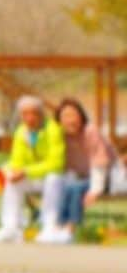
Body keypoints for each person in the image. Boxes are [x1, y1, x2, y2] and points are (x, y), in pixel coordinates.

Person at [0, 95, 65, 243]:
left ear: (41, 114)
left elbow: (56, 163)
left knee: (53, 178)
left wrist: (26, 171)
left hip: (53, 178)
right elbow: (17, 160)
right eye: (25, 114)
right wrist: (14, 171)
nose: (29, 118)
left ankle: (49, 227)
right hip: (33, 176)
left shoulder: (53, 129)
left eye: (33, 113)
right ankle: (11, 228)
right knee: (12, 181)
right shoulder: (20, 132)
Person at [40, 98, 117, 243]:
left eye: (73, 115)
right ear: (59, 120)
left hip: (106, 177)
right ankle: (57, 228)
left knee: (74, 188)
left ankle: (70, 229)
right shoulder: (60, 135)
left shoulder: (90, 131)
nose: (70, 120)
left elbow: (100, 162)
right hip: (80, 177)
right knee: (65, 187)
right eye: (65, 116)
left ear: (81, 117)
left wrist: (95, 190)